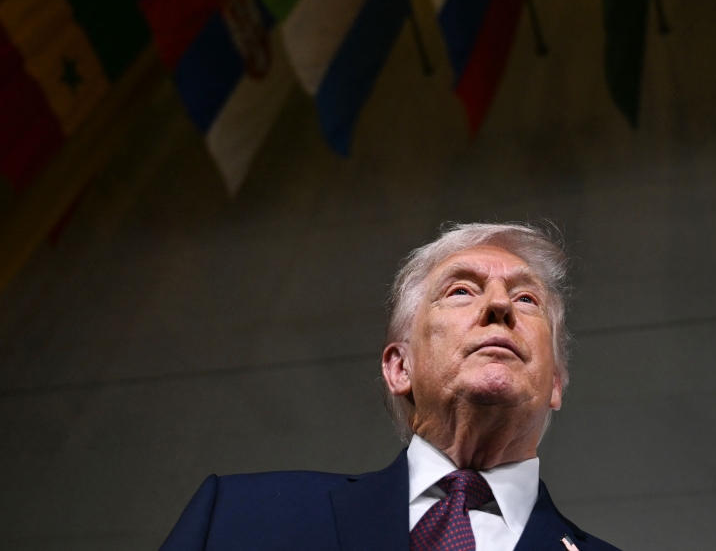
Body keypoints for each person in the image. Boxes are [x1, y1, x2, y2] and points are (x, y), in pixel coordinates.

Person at [160, 222, 620, 551]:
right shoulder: (238, 518)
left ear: (556, 383)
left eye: (526, 298)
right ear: (400, 367)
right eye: (461, 291)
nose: (499, 304)